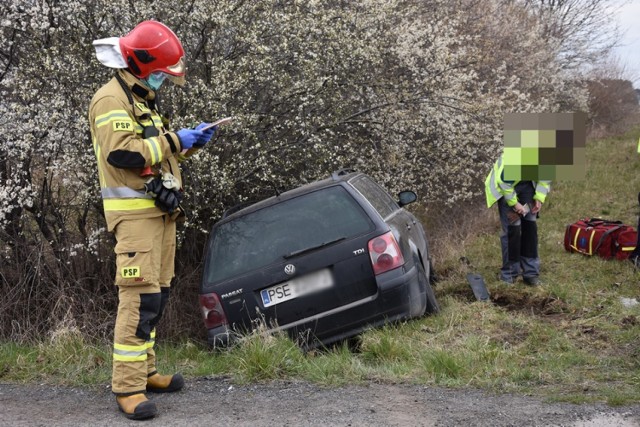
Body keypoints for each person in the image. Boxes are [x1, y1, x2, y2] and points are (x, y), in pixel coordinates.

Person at [89, 21, 216, 420]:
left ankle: (145, 372)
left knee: (155, 299)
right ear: (143, 66)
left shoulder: (140, 99)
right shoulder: (111, 100)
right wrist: (177, 140)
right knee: (138, 301)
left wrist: (189, 144)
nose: (164, 80)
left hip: (160, 216)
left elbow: (155, 155)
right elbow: (122, 155)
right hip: (135, 220)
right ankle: (126, 388)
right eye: (162, 72)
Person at [485, 153, 551, 285]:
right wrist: (515, 204)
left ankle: (531, 273)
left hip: (528, 184)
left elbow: (545, 176)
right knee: (512, 230)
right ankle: (509, 274)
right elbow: (504, 182)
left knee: (530, 228)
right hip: (506, 186)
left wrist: (539, 197)